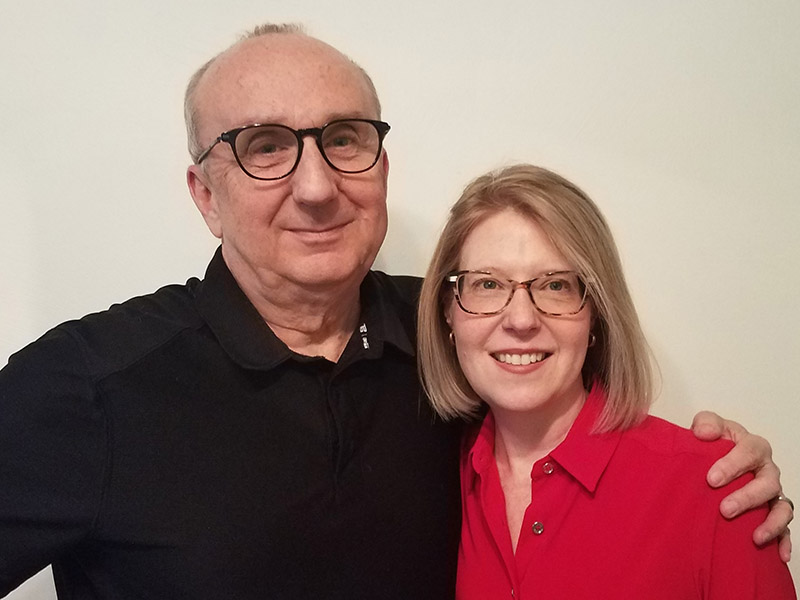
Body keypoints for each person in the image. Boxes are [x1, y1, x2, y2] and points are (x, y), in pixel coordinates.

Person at [0, 24, 791, 600]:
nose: (316, 187)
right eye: (265, 147)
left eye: (345, 138)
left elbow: (592, 445)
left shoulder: (454, 333)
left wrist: (717, 481)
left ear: (381, 166)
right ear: (205, 194)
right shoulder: (86, 387)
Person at [417, 163, 795, 598]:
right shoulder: (432, 470)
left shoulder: (714, 492)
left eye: (556, 285)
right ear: (449, 311)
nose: (521, 319)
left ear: (595, 313)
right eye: (487, 284)